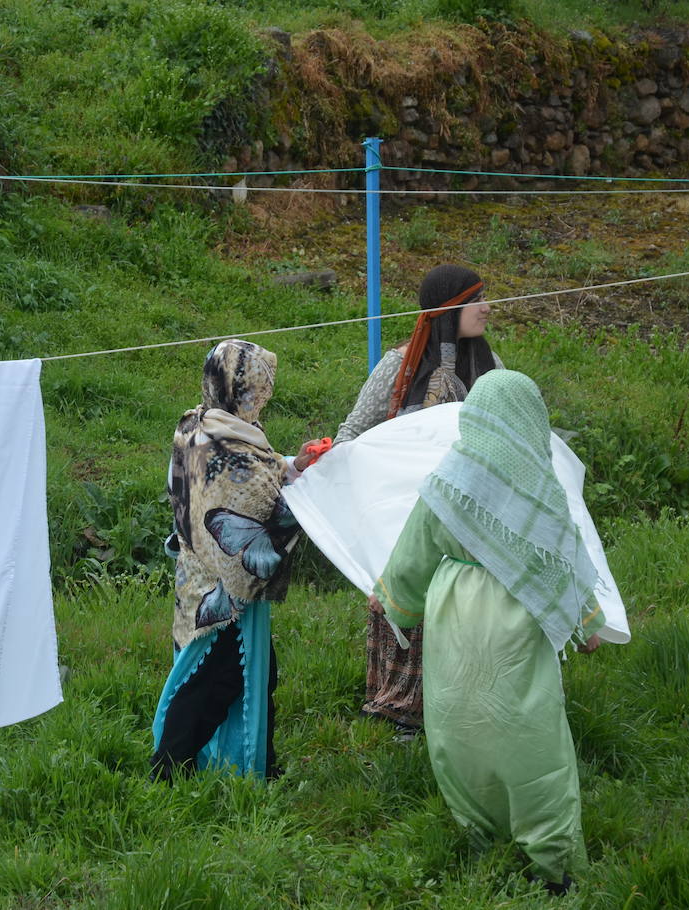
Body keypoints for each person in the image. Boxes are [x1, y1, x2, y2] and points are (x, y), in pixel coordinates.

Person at [369, 370, 604, 895]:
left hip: (455, 618)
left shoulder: (448, 484)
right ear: (530, 420)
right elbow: (561, 556)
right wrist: (585, 623)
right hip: (519, 622)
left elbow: (412, 557)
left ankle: (479, 833)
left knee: (460, 724)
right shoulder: (538, 489)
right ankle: (552, 859)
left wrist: (398, 609)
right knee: (530, 730)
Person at [339, 264, 499, 739]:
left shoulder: (492, 371)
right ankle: (403, 709)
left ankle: (463, 707)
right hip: (406, 520)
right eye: (477, 299)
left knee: (461, 612)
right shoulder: (399, 365)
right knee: (410, 606)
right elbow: (355, 433)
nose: (488, 307)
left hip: (469, 524)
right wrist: (327, 466)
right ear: (450, 310)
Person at [151, 339, 311, 782]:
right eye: (257, 391)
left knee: (250, 674)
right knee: (215, 679)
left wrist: (293, 465)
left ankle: (256, 762)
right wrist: (310, 500)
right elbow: (257, 512)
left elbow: (260, 472)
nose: (261, 399)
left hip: (196, 576)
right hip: (220, 591)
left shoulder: (201, 424)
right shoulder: (227, 448)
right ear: (241, 391)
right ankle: (168, 770)